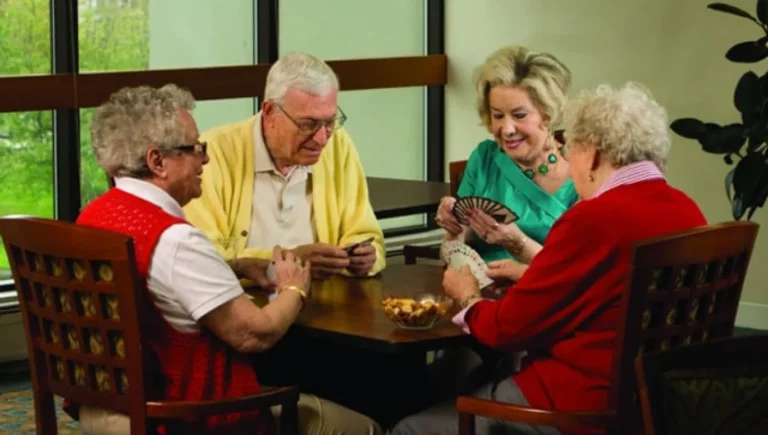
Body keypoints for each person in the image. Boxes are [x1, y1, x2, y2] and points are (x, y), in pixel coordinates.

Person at [391, 82, 708, 435]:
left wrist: (467, 295)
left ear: (594, 155)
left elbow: (506, 330)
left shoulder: (593, 219)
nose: (570, 165)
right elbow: (609, 296)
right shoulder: (689, 211)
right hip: (661, 407)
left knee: (409, 429)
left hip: (577, 408)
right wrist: (530, 278)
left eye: (572, 152)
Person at [70, 84, 382, 435]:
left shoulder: (94, 216)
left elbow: (164, 282)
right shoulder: (176, 240)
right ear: (157, 162)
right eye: (194, 148)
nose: (205, 159)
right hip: (191, 418)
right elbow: (255, 335)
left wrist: (234, 266)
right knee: (367, 426)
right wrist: (294, 287)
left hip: (107, 406)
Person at [182, 52, 385, 286]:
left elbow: (364, 230)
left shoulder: (338, 145)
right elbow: (203, 258)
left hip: (325, 298)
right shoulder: (213, 154)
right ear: (270, 112)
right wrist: (290, 261)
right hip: (242, 300)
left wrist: (365, 257)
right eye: (308, 124)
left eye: (329, 122)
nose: (321, 139)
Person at [435, 45, 578, 274]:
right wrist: (453, 228)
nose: (507, 129)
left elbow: (576, 273)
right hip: (478, 288)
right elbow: (452, 255)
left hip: (545, 292)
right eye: (498, 115)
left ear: (548, 114)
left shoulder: (582, 175)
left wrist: (518, 244)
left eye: (519, 115)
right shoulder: (485, 158)